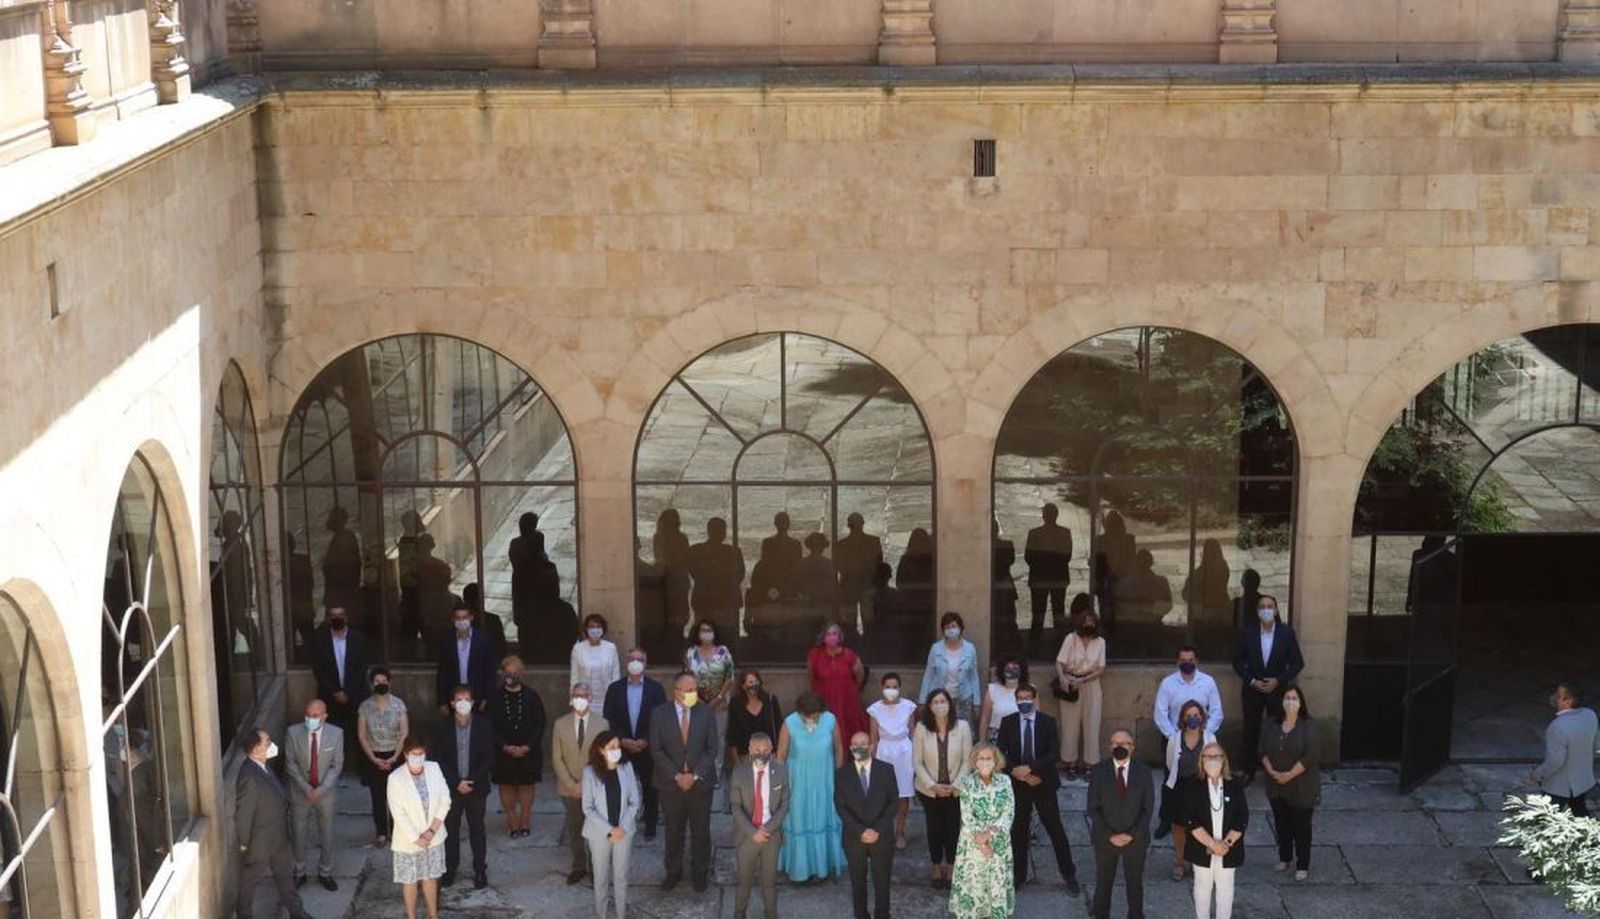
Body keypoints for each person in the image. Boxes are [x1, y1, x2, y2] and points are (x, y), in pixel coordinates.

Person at [995, 684, 1081, 893]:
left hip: (1043, 782)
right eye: (1020, 698)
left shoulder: (1047, 722)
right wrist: (1018, 771)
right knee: (1018, 830)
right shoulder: (1008, 722)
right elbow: (1000, 752)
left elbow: (1053, 754)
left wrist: (1031, 770)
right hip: (1018, 783)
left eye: (1028, 698)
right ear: (1016, 701)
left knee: (1055, 828)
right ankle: (1018, 875)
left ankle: (1069, 874)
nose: (1024, 701)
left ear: (1034, 699)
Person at [649, 672, 719, 892]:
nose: (692, 694)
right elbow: (656, 749)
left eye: (694, 689)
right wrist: (677, 776)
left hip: (700, 784)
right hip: (671, 784)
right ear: (676, 692)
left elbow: (712, 748)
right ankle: (673, 871)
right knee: (673, 830)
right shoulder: (659, 714)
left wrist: (695, 775)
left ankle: (700, 873)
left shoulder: (706, 713)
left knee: (701, 830)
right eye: (688, 690)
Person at [234, 729, 313, 919]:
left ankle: (297, 912)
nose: (271, 744)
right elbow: (243, 814)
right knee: (248, 883)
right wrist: (244, 843)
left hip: (277, 837)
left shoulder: (264, 767)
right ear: (255, 749)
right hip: (259, 841)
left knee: (285, 876)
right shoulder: (249, 776)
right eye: (267, 742)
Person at [1231, 594, 1303, 783]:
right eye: (1262, 606)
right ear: (1257, 611)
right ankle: (1248, 771)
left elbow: (1298, 663)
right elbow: (1237, 661)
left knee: (1277, 730)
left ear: (1276, 610)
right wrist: (1252, 680)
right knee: (1250, 730)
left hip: (1277, 691)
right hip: (1253, 690)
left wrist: (1278, 680)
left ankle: (1276, 770)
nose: (1266, 610)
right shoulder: (1248, 633)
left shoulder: (1286, 633)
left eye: (1270, 606)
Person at [777, 690, 847, 884]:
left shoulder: (830, 720)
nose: (813, 717)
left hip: (824, 781)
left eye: (816, 714)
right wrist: (778, 785)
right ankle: (801, 870)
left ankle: (822, 867)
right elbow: (780, 756)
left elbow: (839, 748)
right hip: (797, 782)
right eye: (808, 715)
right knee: (799, 818)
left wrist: (839, 775)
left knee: (822, 818)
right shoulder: (789, 723)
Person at [1088, 730, 1154, 919]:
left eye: (1124, 743)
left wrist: (1131, 834)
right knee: (1103, 884)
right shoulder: (1099, 771)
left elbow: (1147, 809)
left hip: (1135, 840)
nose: (1119, 746)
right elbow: (1092, 808)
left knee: (1134, 885)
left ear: (1132, 748)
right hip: (1105, 839)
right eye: (1115, 743)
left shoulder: (1144, 772)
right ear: (1110, 747)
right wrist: (1110, 835)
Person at [433, 685, 494, 889]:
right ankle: (451, 869)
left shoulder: (483, 725)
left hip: (476, 787)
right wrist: (456, 782)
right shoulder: (442, 726)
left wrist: (472, 781)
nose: (463, 703)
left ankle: (479, 869)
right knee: (451, 828)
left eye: (467, 699)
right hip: (451, 788)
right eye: (459, 699)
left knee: (477, 828)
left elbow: (488, 757)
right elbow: (438, 758)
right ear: (452, 703)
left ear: (473, 702)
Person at [603, 648, 667, 840]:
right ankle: (619, 821)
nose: (636, 662)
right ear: (626, 662)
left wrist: (645, 740)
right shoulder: (614, 688)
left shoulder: (656, 689)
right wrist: (623, 740)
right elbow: (609, 718)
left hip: (646, 746)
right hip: (621, 746)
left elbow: (660, 718)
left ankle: (650, 824)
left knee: (650, 786)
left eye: (640, 659)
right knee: (619, 785)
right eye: (632, 659)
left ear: (646, 663)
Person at [912, 688, 972, 889]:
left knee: (953, 828)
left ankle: (952, 865)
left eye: (943, 701)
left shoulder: (963, 727)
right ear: (930, 706)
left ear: (950, 704)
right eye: (935, 702)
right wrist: (932, 785)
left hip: (955, 789)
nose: (940, 705)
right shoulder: (921, 728)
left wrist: (955, 785)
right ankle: (936, 865)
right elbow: (917, 762)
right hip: (930, 790)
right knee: (934, 828)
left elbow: (967, 761)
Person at [1180, 743, 1248, 919]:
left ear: (1223, 760)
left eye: (1216, 756)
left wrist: (1225, 844)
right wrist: (1212, 844)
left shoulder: (1234, 784)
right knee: (1202, 888)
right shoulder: (1191, 784)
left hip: (1228, 848)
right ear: (1201, 761)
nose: (1212, 760)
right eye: (1207, 756)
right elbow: (1190, 819)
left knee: (1226, 891)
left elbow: (1242, 817)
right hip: (1202, 847)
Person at [835, 731, 898, 919]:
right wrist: (861, 830)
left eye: (863, 744)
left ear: (871, 746)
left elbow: (893, 802)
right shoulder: (841, 774)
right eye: (854, 744)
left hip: (882, 836)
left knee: (882, 883)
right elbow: (841, 807)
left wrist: (877, 829)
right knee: (857, 883)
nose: (859, 748)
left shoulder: (886, 770)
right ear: (850, 748)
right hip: (854, 838)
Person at [1260, 683, 1320, 881]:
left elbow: (1310, 756)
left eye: (1294, 698)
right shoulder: (1271, 724)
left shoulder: (1308, 725)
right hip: (1276, 784)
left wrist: (1289, 775)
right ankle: (1284, 857)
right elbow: (1262, 751)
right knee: (1282, 823)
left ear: (1301, 702)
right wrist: (1272, 772)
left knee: (1301, 827)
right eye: (1287, 698)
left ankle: (1302, 864)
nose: (1290, 702)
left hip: (1301, 786)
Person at [949, 743, 1015, 919]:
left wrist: (990, 834)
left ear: (995, 761)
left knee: (997, 882)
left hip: (999, 840)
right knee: (975, 884)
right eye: (981, 758)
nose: (985, 762)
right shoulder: (967, 783)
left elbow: (1009, 811)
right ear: (975, 761)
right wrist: (981, 841)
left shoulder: (1005, 781)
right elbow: (967, 816)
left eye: (988, 758)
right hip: (973, 841)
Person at [387, 734, 450, 919]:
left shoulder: (434, 768)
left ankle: (433, 915)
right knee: (410, 880)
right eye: (414, 754)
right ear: (406, 754)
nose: (418, 757)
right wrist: (417, 838)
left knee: (430, 878)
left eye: (421, 753)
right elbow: (398, 813)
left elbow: (445, 800)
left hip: (434, 836)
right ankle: (412, 916)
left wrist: (431, 831)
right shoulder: (396, 778)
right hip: (408, 840)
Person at [285, 699, 343, 891]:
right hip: (300, 791)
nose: (310, 719)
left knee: (326, 832)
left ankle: (325, 872)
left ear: (325, 716)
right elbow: (290, 764)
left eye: (315, 716)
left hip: (325, 792)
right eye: (308, 715)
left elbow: (337, 766)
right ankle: (299, 871)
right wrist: (307, 789)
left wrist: (321, 790)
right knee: (298, 832)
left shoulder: (336, 734)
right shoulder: (293, 733)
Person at [730, 732, 789, 919]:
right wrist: (752, 831)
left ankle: (771, 914)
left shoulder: (780, 771)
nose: (761, 754)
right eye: (757, 750)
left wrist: (768, 828)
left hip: (771, 835)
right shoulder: (739, 773)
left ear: (771, 750)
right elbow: (735, 806)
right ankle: (739, 914)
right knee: (744, 880)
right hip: (747, 836)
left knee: (769, 881)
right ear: (749, 750)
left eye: (765, 751)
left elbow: (785, 804)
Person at [581, 731, 640, 919]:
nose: (616, 751)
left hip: (624, 832)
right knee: (600, 877)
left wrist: (621, 827)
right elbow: (588, 808)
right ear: (601, 750)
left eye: (618, 747)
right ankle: (603, 914)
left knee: (621, 876)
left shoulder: (627, 767)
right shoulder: (589, 772)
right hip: (599, 834)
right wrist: (610, 830)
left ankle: (621, 915)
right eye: (611, 747)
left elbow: (634, 802)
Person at [555, 683, 609, 885]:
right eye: (577, 695)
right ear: (571, 697)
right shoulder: (560, 724)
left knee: (595, 830)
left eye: (584, 695)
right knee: (574, 828)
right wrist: (571, 785)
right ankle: (579, 866)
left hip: (593, 787)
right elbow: (556, 757)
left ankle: (597, 868)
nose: (580, 698)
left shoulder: (602, 724)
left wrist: (587, 785)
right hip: (568, 789)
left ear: (591, 698)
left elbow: (603, 758)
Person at [490, 654, 547, 838]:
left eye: (515, 672)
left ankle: (525, 819)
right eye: (508, 672)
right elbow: (490, 725)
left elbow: (540, 723)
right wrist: (504, 746)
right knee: (506, 784)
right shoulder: (495, 697)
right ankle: (512, 820)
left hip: (528, 751)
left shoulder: (532, 696)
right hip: (503, 751)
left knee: (526, 785)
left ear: (521, 674)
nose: (511, 675)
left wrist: (528, 746)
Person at [685, 619, 736, 807]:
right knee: (696, 737)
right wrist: (697, 700)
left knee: (718, 737)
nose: (706, 633)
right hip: (695, 703)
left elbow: (730, 678)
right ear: (697, 633)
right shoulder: (691, 652)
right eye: (703, 630)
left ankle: (715, 773)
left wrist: (719, 699)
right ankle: (699, 771)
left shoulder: (723, 652)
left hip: (720, 704)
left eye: (709, 630)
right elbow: (686, 677)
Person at [308, 606, 371, 757]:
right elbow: (318, 670)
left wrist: (348, 692)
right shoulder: (319, 640)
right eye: (333, 615)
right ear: (329, 619)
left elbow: (362, 668)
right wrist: (335, 692)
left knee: (359, 733)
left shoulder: (358, 638)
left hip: (355, 695)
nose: (337, 618)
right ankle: (334, 771)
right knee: (331, 736)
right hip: (330, 697)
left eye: (340, 615)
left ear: (346, 618)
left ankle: (360, 772)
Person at [358, 666, 410, 846]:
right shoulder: (365, 706)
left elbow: (404, 733)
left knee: (397, 796)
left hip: (395, 755)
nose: (380, 684)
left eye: (383, 680)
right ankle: (381, 832)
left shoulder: (399, 704)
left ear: (390, 682)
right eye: (377, 681)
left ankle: (397, 830)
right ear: (372, 684)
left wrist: (395, 756)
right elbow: (362, 735)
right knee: (378, 796)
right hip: (374, 755)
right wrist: (373, 758)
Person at [1162, 699, 1216, 875]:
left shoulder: (1210, 737)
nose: (1193, 718)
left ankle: (1198, 861)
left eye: (1196, 715)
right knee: (1179, 827)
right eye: (1188, 716)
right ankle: (1180, 861)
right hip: (1181, 787)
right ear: (1183, 719)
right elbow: (1170, 763)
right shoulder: (1175, 739)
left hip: (1202, 787)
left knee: (1202, 825)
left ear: (1202, 717)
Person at [1531, 680, 1598, 817]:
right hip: (1582, 780)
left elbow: (1556, 761)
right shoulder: (1590, 714)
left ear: (1568, 701)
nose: (1554, 697)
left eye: (1558, 695)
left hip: (1560, 786)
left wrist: (1538, 773)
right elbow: (1597, 744)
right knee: (1580, 812)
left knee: (1546, 819)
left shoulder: (1558, 726)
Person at [866, 672, 917, 849]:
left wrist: (917, 757)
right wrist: (871, 762)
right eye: (888, 687)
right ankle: (884, 830)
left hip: (904, 750)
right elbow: (873, 737)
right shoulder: (875, 709)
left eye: (895, 687)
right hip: (884, 751)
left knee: (903, 793)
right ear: (882, 688)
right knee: (883, 794)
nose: (891, 690)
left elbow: (913, 732)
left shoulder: (909, 707)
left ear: (900, 688)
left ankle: (900, 831)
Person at [1055, 608, 1107, 780]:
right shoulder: (1071, 639)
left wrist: (1083, 681)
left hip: (1091, 684)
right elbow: (1059, 662)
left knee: (1092, 724)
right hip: (1070, 683)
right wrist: (1063, 679)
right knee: (1070, 725)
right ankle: (1070, 764)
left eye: (1091, 622)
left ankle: (1090, 765)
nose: (1088, 625)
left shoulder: (1100, 642)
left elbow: (1101, 668)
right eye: (1085, 621)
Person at [919, 611, 982, 730]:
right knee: (941, 730)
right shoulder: (936, 649)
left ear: (961, 629)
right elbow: (928, 675)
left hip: (963, 699)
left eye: (954, 626)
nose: (951, 630)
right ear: (943, 631)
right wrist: (922, 700)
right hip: (940, 698)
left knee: (963, 732)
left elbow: (974, 677)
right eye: (947, 627)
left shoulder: (970, 649)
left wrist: (977, 703)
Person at [687, 516, 746, 643]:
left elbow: (739, 574)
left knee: (726, 638)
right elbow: (695, 572)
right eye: (718, 530)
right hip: (707, 602)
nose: (721, 534)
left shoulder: (733, 551)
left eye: (722, 530)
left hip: (725, 603)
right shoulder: (697, 551)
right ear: (710, 531)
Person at [808, 620, 868, 740]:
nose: (832, 637)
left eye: (835, 634)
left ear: (839, 636)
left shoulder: (848, 654)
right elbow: (811, 676)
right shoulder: (815, 655)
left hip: (847, 700)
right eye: (828, 634)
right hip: (824, 701)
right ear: (823, 637)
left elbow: (860, 675)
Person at [1024, 503, 1073, 642]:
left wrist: (1042, 567)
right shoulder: (1064, 533)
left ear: (1044, 516)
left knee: (1041, 613)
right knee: (1055, 612)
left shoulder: (1035, 533)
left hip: (1042, 578)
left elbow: (1029, 557)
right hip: (1055, 578)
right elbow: (1066, 556)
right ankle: (1056, 641)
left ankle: (1038, 642)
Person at [1154, 646, 1223, 743]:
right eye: (1183, 660)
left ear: (1196, 661)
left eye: (1191, 660)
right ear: (1177, 662)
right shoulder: (1167, 683)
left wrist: (1205, 734)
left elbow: (1217, 712)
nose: (1187, 663)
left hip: (1204, 739)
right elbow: (1160, 714)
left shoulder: (1208, 682)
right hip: (1173, 738)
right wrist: (1174, 737)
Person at [435, 600, 495, 710]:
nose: (462, 621)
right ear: (453, 619)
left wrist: (487, 698)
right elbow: (442, 672)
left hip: (478, 696)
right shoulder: (447, 641)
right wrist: (442, 701)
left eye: (465, 617)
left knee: (478, 725)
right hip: (454, 696)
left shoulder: (483, 640)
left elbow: (490, 671)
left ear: (471, 617)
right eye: (458, 618)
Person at [726, 667, 784, 773]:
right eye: (750, 682)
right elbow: (732, 734)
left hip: (768, 756)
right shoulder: (735, 704)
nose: (754, 685)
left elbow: (779, 728)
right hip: (745, 757)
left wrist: (778, 756)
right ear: (743, 686)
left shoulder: (770, 701)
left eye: (756, 681)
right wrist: (737, 762)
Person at [836, 512, 884, 638]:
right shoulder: (873, 542)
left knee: (850, 621)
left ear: (848, 526)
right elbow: (879, 564)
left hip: (849, 584)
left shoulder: (842, 545)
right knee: (869, 620)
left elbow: (839, 566)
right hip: (868, 583)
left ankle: (853, 641)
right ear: (862, 524)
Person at [1182, 539, 1231, 634]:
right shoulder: (1224, 567)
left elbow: (1186, 593)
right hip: (1221, 610)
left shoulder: (1199, 573)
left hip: (1205, 613)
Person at [320, 506, 362, 613]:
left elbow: (345, 566)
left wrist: (327, 565)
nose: (329, 521)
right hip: (341, 594)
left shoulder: (345, 537)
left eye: (332, 518)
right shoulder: (342, 536)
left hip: (341, 595)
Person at [978, 657, 1027, 744]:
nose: (1011, 671)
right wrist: (982, 741)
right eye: (1008, 668)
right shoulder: (992, 689)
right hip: (996, 737)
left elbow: (1037, 719)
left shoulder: (1030, 690)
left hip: (1022, 737)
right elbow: (985, 719)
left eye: (1015, 668)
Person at [572, 613, 622, 696]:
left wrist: (614, 697)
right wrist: (574, 698)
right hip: (585, 697)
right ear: (586, 629)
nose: (595, 629)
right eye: (592, 627)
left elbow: (616, 675)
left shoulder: (611, 648)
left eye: (598, 626)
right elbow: (574, 676)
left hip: (606, 695)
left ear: (603, 629)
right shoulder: (578, 649)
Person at [991, 519, 1021, 656]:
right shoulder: (1007, 545)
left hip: (996, 583)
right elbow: (1011, 560)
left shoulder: (985, 546)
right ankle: (1013, 644)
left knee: (1001, 616)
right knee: (1009, 617)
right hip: (1004, 583)